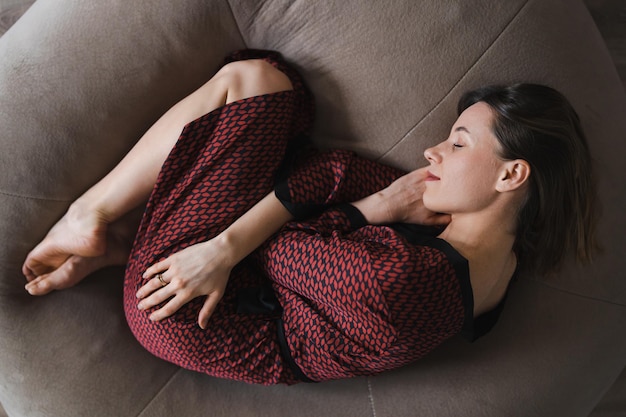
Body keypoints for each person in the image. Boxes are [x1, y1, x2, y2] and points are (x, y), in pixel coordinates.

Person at [21, 50, 597, 385]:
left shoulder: (405, 283)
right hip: (241, 280)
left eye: (459, 143)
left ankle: (87, 216)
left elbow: (279, 245)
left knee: (256, 82)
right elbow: (330, 172)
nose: (432, 153)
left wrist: (377, 208)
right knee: (279, 99)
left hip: (186, 308)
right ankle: (124, 239)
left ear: (511, 175)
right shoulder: (493, 253)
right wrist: (366, 206)